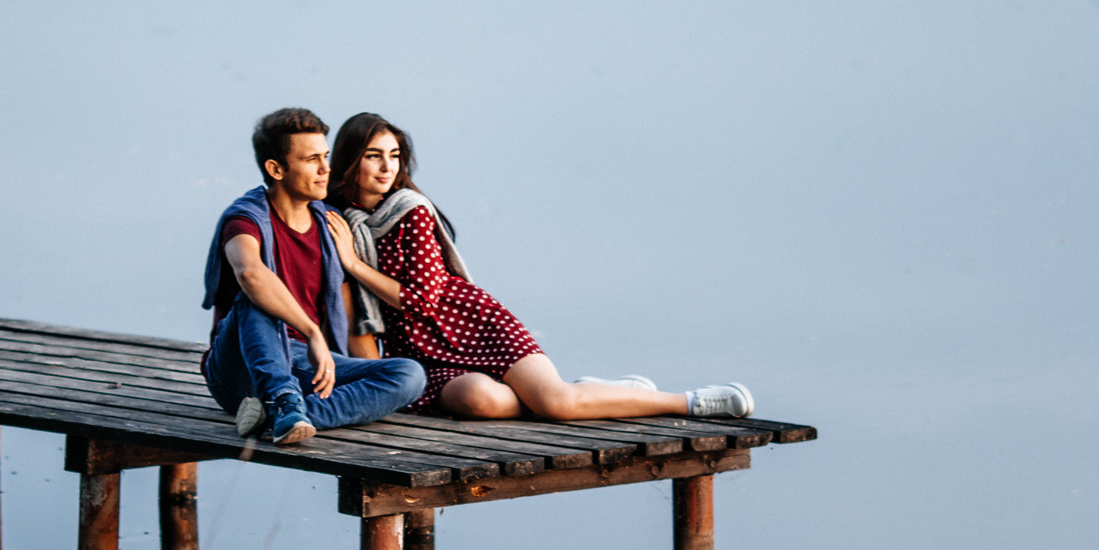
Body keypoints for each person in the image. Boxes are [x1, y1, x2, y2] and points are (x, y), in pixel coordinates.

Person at [323, 112, 755, 421]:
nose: (387, 167)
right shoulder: (345, 222)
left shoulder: (410, 211)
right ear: (350, 160)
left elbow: (421, 298)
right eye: (374, 155)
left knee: (557, 406)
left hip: (471, 324)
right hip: (420, 352)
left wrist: (354, 264)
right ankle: (606, 393)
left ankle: (688, 401)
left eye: (394, 155)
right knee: (482, 403)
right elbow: (354, 311)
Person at [201, 107, 428, 445]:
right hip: (241, 369)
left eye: (325, 156)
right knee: (255, 297)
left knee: (409, 375)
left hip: (306, 364)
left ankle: (292, 414)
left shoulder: (330, 225)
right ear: (276, 169)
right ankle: (281, 400)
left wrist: (374, 379)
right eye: (312, 160)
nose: (325, 169)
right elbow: (249, 272)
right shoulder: (245, 219)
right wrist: (312, 333)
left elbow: (351, 319)